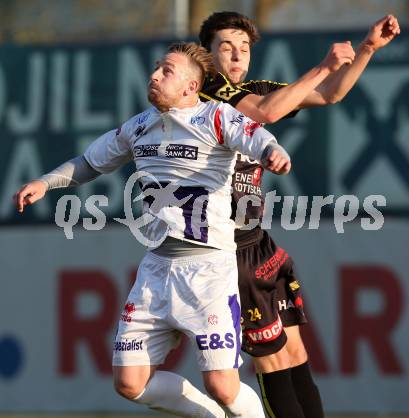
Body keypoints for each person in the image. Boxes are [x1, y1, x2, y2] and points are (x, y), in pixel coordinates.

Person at [13, 42, 292, 418]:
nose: (155, 75)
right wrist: (46, 183)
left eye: (167, 71)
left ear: (191, 88)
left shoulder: (217, 117)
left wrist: (274, 152)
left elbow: (257, 136)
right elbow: (89, 162)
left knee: (223, 385)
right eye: (157, 67)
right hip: (157, 271)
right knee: (129, 383)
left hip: (208, 271)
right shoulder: (139, 126)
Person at [198, 11, 400, 418]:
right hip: (227, 248)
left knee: (294, 352)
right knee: (269, 360)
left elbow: (329, 94)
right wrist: (321, 66)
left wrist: (366, 49)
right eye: (226, 46)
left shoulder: (251, 89)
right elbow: (263, 114)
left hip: (257, 240)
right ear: (206, 54)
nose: (237, 55)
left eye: (244, 48)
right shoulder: (205, 89)